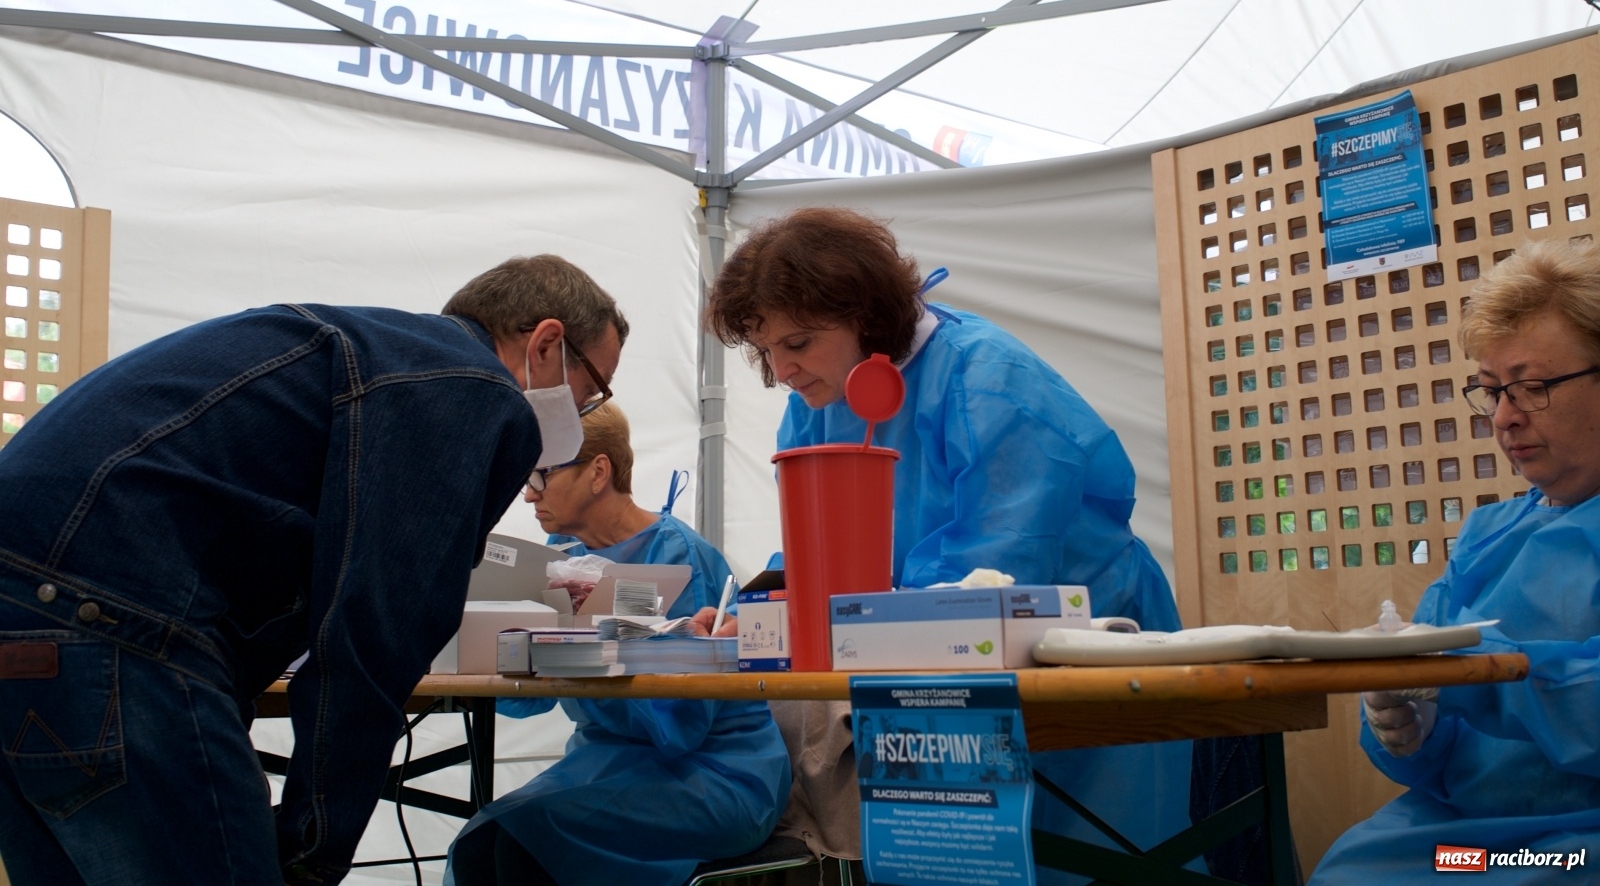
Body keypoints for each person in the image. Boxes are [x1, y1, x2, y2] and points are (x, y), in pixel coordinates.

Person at [0, 254, 626, 886]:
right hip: (110, 616)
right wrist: (313, 851)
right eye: (593, 388)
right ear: (546, 343)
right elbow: (375, 629)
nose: (583, 410)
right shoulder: (470, 386)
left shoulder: (365, 348)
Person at [700, 206, 1193, 882]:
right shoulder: (815, 400)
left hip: (1079, 645)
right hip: (928, 648)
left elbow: (996, 568)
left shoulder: (989, 379)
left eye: (799, 343)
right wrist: (754, 612)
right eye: (766, 351)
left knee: (1096, 851)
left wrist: (862, 615)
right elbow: (815, 553)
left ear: (867, 315)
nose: (782, 369)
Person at [1312, 238, 1600, 884]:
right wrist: (1412, 727)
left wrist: (1468, 678)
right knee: (1350, 872)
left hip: (1573, 842)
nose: (1503, 418)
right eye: (1492, 390)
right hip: (1461, 839)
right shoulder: (1489, 534)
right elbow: (1427, 672)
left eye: (1531, 388)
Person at [445, 403, 790, 886]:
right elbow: (527, 706)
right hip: (605, 763)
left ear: (598, 471)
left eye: (541, 476)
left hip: (711, 773)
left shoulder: (679, 558)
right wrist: (494, 645)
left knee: (526, 844)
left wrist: (593, 653)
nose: (528, 495)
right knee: (480, 846)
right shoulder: (571, 566)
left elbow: (685, 724)